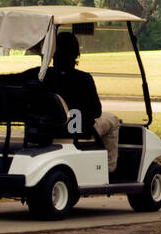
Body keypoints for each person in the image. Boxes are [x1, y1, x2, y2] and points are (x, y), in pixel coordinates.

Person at [43, 31, 121, 172]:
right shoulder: (84, 79)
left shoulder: (45, 78)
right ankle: (109, 168)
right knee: (113, 120)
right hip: (77, 130)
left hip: (51, 129)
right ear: (75, 54)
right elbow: (96, 111)